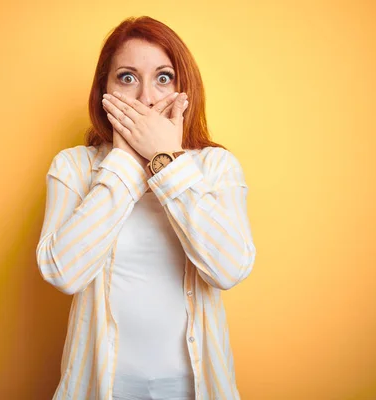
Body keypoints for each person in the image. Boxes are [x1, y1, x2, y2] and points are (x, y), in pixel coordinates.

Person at [36, 15, 256, 400]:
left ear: (184, 88)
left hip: (195, 390)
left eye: (163, 77)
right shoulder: (73, 167)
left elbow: (230, 268)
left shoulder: (215, 167)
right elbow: (63, 272)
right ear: (103, 91)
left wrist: (165, 161)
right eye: (127, 77)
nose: (146, 98)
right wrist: (123, 164)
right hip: (99, 389)